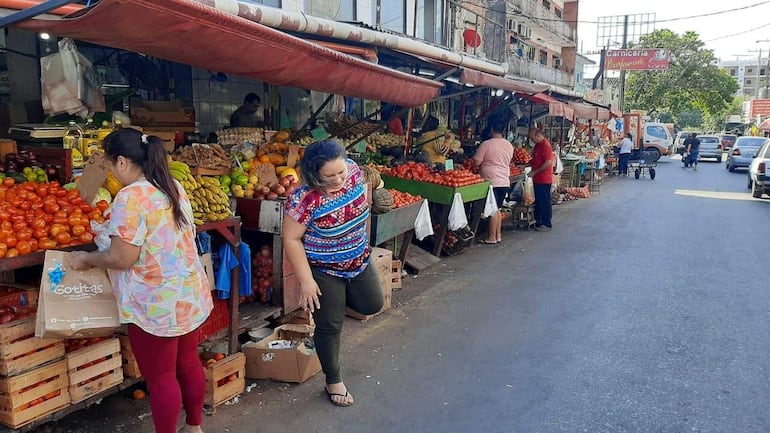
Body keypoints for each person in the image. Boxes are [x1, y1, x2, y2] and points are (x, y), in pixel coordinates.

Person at [69, 128, 212, 433]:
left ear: (122, 161)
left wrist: (87, 259)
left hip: (155, 301)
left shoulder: (130, 196)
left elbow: (122, 258)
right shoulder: (171, 185)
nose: (110, 171)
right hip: (186, 293)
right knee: (187, 363)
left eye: (109, 164)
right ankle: (195, 427)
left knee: (161, 378)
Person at [282, 140, 384, 408]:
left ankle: (335, 304)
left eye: (341, 172)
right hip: (324, 268)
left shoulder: (351, 170)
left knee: (372, 303)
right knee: (330, 325)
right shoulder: (304, 198)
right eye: (330, 176)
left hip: (359, 258)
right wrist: (306, 280)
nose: (339, 179)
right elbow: (291, 239)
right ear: (315, 174)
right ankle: (333, 379)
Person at [473, 120, 514, 244]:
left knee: (493, 209)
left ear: (491, 128)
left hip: (491, 180)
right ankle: (498, 235)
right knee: (498, 208)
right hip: (504, 180)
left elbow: (477, 162)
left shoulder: (486, 144)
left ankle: (492, 237)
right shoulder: (508, 145)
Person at [527, 128, 554, 232]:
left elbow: (548, 163)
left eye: (532, 138)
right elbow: (535, 160)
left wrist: (535, 171)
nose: (531, 140)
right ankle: (539, 222)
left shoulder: (545, 146)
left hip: (544, 179)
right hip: (537, 179)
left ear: (538, 135)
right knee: (538, 201)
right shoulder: (538, 146)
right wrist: (525, 165)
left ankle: (546, 223)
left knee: (544, 201)